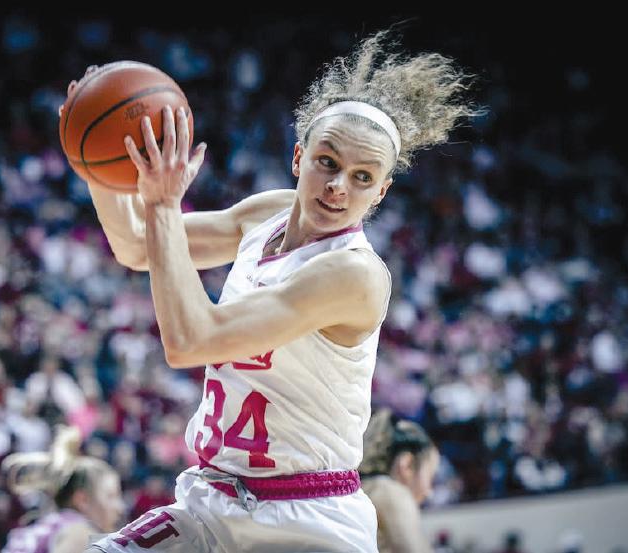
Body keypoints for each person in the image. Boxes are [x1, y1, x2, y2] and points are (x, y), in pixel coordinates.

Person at [79, 27, 483, 553]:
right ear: (298, 158)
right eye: (328, 162)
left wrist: (161, 204)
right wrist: (93, 159)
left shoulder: (354, 275)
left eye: (362, 177)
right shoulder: (266, 214)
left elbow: (190, 340)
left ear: (381, 192)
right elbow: (138, 245)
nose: (338, 186)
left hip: (306, 521)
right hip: (213, 499)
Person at [1, 426, 126, 553]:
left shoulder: (44, 524)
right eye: (111, 496)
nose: (120, 507)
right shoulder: (80, 532)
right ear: (82, 500)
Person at [359, 408, 440, 553]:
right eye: (430, 477)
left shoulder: (362, 490)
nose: (429, 492)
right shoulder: (390, 492)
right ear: (407, 465)